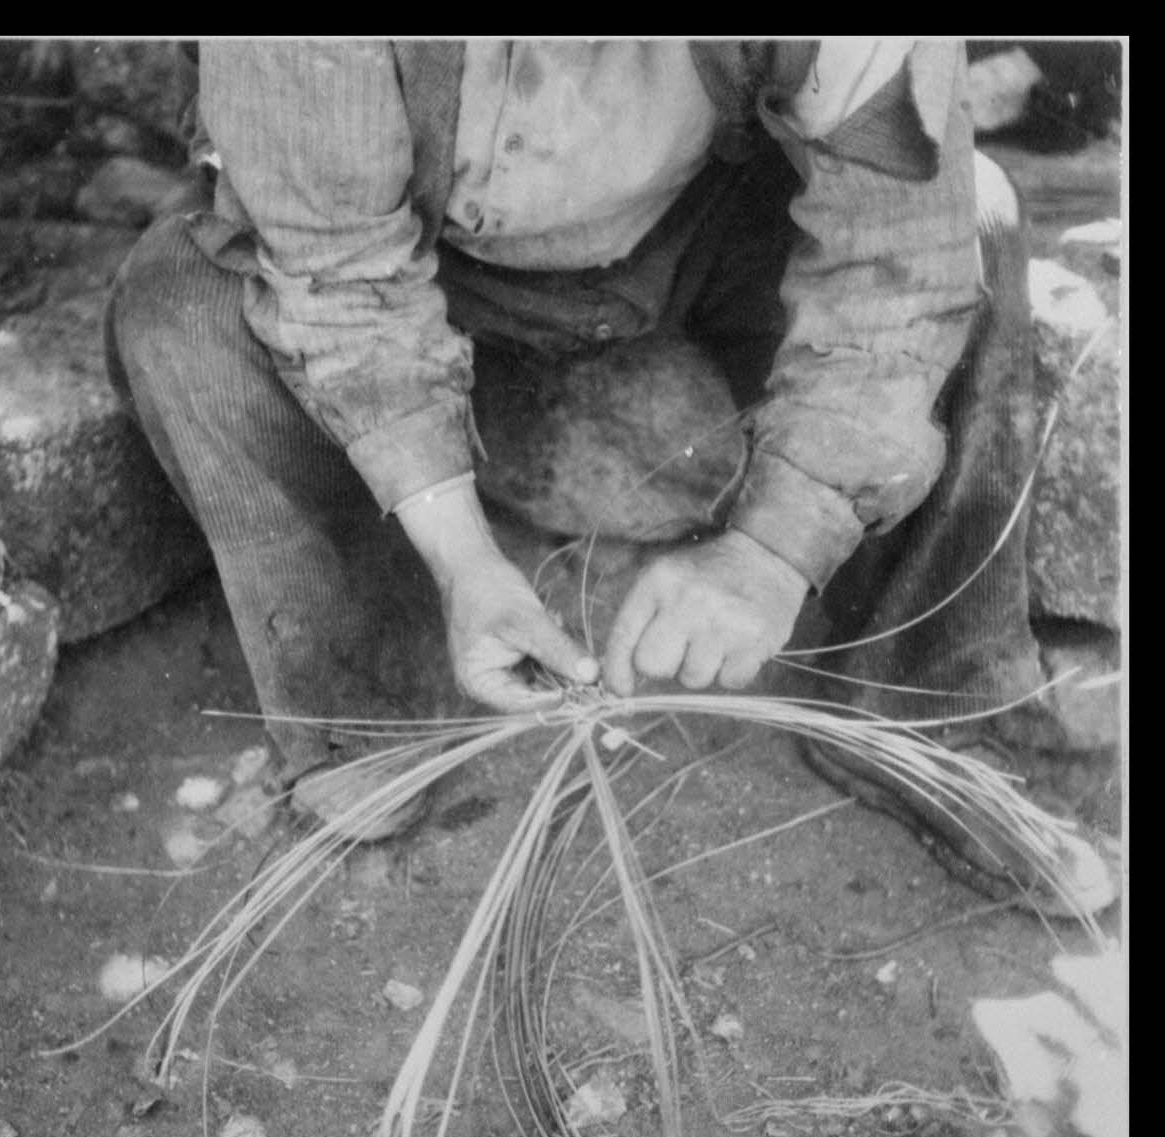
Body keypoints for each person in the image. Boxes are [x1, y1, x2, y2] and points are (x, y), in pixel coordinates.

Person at [106, 39, 1118, 917]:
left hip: (697, 225)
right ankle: (375, 711)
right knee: (184, 313)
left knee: (973, 223)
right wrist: (464, 560)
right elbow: (336, 276)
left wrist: (771, 552)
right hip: (423, 252)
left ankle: (925, 708)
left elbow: (896, 257)